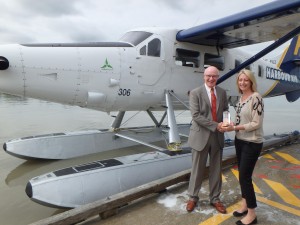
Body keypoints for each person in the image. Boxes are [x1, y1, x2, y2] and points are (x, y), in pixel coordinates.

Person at [186, 66, 229, 214]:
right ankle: (192, 197)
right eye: (209, 76)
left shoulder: (222, 93)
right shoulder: (195, 93)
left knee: (216, 170)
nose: (211, 79)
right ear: (204, 76)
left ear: (218, 77)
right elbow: (196, 116)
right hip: (200, 136)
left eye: (214, 76)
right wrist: (217, 125)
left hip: (217, 137)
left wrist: (228, 123)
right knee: (197, 169)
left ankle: (215, 199)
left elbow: (225, 110)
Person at [223, 69, 264, 225]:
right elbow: (242, 121)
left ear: (251, 81)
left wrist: (234, 128)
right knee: (242, 174)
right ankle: (245, 205)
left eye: (246, 80)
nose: (242, 82)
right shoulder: (241, 99)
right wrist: (233, 125)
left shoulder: (256, 98)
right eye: (240, 80)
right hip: (240, 140)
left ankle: (252, 214)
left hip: (252, 142)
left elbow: (256, 123)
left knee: (245, 177)